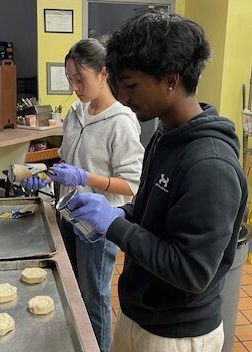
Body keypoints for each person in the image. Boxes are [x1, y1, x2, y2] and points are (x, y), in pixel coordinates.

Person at [67, 11, 248, 352]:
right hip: (141, 317)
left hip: (177, 335)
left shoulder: (210, 165)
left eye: (132, 85)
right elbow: (152, 215)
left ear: (170, 79)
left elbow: (191, 272)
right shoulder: (165, 136)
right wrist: (121, 216)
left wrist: (115, 227)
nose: (122, 96)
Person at [22, 38, 144, 352]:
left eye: (81, 79)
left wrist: (85, 177)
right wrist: (45, 176)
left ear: (104, 74)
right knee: (72, 287)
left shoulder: (122, 122)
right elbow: (65, 160)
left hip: (99, 226)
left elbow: (132, 184)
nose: (75, 87)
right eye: (70, 80)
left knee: (94, 298)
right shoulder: (77, 112)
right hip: (68, 214)